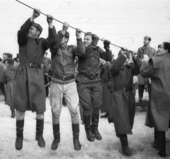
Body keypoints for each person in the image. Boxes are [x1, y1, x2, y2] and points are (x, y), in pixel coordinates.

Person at [13, 8, 57, 150]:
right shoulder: (23, 40)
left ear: (38, 32)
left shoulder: (42, 43)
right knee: (20, 107)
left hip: (37, 75)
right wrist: (32, 17)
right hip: (22, 74)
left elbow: (53, 40)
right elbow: (21, 31)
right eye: (30, 28)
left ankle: (39, 135)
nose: (30, 30)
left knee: (40, 107)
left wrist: (50, 24)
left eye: (33, 29)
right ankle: (19, 138)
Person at [140, 42, 170, 158]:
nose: (158, 49)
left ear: (166, 50)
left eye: (160, 47)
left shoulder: (155, 60)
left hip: (160, 98)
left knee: (161, 124)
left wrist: (145, 61)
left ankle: (162, 150)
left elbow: (144, 73)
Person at [49, 22, 84, 151]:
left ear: (67, 39)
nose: (60, 39)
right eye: (59, 37)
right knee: (55, 111)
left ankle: (76, 140)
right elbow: (54, 45)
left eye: (63, 37)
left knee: (74, 111)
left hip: (70, 83)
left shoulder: (72, 48)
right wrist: (63, 30)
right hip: (56, 83)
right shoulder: (54, 49)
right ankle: (56, 138)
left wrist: (79, 36)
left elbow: (81, 52)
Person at [104, 48, 141, 156]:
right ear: (119, 57)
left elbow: (138, 68)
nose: (125, 58)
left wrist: (135, 57)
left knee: (129, 120)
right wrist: (123, 56)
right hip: (119, 95)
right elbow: (114, 68)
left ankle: (119, 130)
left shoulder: (131, 67)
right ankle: (125, 145)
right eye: (122, 56)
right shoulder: (114, 67)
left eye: (126, 56)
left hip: (129, 95)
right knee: (122, 120)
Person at [76, 32, 112, 142]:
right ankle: (88, 130)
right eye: (85, 39)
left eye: (88, 39)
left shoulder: (97, 49)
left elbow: (108, 57)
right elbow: (84, 53)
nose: (86, 41)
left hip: (96, 80)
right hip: (83, 81)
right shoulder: (81, 48)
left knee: (97, 104)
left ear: (91, 40)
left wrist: (107, 47)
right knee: (86, 106)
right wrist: (93, 43)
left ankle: (95, 129)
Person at [137, 36, 156, 103]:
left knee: (150, 84)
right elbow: (138, 59)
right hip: (142, 67)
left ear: (149, 41)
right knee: (141, 84)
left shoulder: (153, 50)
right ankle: (140, 98)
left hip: (150, 68)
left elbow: (155, 59)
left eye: (146, 40)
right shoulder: (140, 49)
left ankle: (151, 99)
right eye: (144, 39)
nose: (144, 41)